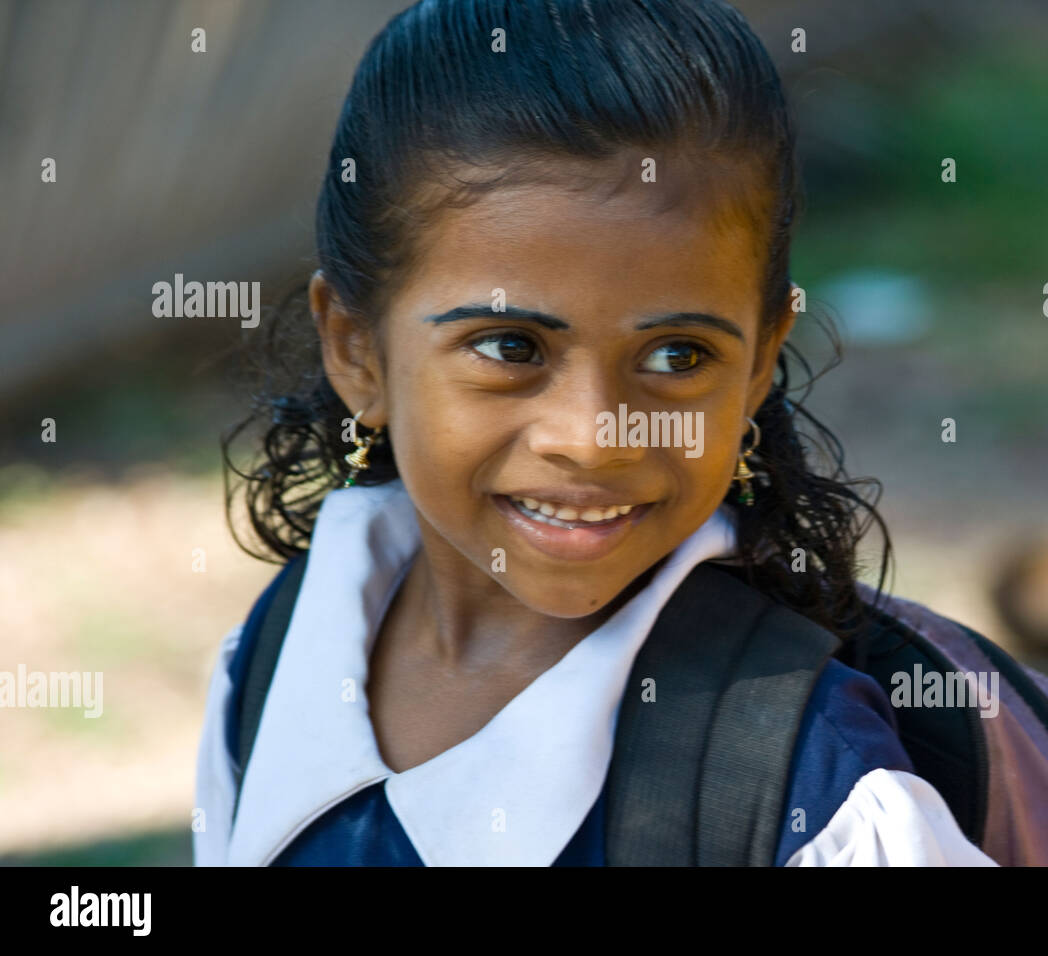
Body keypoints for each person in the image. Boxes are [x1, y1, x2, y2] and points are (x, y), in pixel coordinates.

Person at [194, 0, 997, 867]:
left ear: (762, 361)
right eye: (510, 347)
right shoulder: (276, 657)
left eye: (678, 355)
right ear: (359, 353)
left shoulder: (805, 791)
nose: (592, 437)